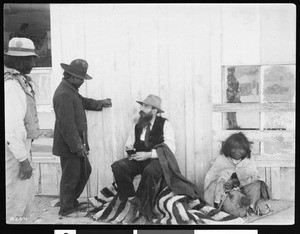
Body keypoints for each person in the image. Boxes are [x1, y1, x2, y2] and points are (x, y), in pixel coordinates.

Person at [111, 94, 202, 223]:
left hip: (157, 160)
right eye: (142, 105)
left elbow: (170, 148)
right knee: (118, 166)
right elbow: (129, 144)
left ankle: (144, 212)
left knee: (150, 171)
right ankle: (132, 199)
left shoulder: (165, 124)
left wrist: (149, 154)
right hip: (139, 159)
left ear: (154, 110)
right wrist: (131, 153)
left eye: (146, 106)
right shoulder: (138, 125)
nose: (142, 109)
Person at [52, 59, 112, 216]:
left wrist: (100, 103)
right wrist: (77, 147)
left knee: (83, 171)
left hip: (74, 143)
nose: (82, 82)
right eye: (80, 79)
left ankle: (71, 202)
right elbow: (67, 124)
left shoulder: (70, 90)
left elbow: (82, 102)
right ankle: (66, 208)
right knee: (71, 176)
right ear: (71, 76)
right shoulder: (64, 93)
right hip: (70, 144)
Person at [4, 37, 40, 223]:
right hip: (13, 151)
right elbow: (10, 129)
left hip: (20, 147)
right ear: (18, 61)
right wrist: (23, 159)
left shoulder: (20, 81)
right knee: (15, 199)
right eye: (30, 59)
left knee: (25, 195)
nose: (34, 63)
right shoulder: (11, 85)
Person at [204, 132, 271, 216]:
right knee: (213, 185)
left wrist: (235, 182)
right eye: (233, 148)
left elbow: (251, 176)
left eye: (240, 148)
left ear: (246, 149)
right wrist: (225, 182)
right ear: (228, 148)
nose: (236, 152)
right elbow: (214, 175)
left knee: (256, 184)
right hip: (225, 191)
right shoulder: (223, 158)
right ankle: (213, 208)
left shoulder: (248, 158)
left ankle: (251, 207)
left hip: (243, 189)